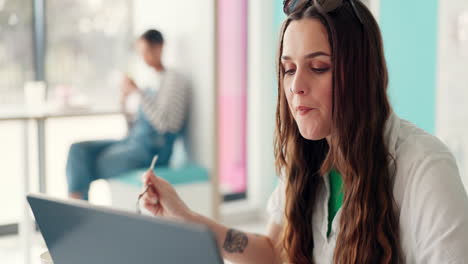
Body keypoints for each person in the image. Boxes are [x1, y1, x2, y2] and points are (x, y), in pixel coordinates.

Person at [141, 1, 468, 263]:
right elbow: (274, 251)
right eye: (288, 69)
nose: (296, 86)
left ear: (360, 76)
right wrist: (187, 219)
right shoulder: (305, 157)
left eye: (319, 67)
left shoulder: (425, 168)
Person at [66, 29, 190, 200]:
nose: (143, 58)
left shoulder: (175, 80)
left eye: (145, 51)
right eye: (141, 53)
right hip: (133, 141)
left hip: (153, 151)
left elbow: (166, 125)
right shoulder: (151, 80)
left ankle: (78, 213)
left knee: (88, 165)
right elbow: (135, 126)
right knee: (78, 150)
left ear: (159, 48)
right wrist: (124, 101)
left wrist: (138, 92)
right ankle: (79, 209)